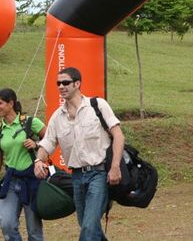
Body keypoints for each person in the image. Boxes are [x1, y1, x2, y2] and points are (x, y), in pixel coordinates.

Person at [34, 67, 125, 241]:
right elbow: (47, 143)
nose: (61, 86)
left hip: (99, 174)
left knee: (89, 228)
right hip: (76, 177)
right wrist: (39, 160)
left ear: (77, 83)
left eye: (65, 82)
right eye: (58, 83)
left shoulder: (97, 106)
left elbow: (118, 135)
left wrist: (115, 167)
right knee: (87, 226)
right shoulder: (57, 117)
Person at [0, 88, 46, 241]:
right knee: (6, 224)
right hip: (10, 182)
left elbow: (51, 140)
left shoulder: (31, 122)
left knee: (34, 229)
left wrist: (36, 144)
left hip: (32, 180)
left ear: (11, 103)